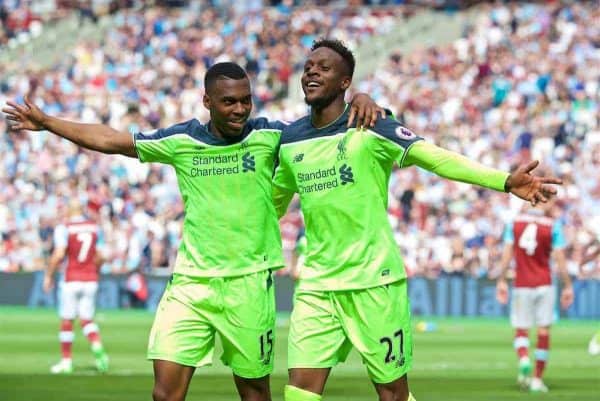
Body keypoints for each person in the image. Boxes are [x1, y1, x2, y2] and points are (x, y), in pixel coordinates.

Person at [3, 62, 382, 401]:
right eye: (229, 102)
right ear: (207, 102)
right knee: (165, 393)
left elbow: (326, 124)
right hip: (190, 285)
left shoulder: (272, 135)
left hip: (249, 285)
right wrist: (50, 123)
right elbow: (113, 140)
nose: (239, 109)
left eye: (245, 101)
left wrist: (359, 97)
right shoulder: (183, 141)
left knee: (254, 392)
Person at [271, 38, 563, 401]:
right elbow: (273, 203)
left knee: (393, 393)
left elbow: (434, 157)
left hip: (374, 283)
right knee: (299, 390)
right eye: (308, 66)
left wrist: (502, 180)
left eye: (324, 67)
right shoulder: (289, 140)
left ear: (345, 83)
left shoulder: (371, 125)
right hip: (316, 285)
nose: (312, 71)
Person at [496, 200, 574, 392]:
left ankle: (523, 358)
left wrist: (502, 280)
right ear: (544, 203)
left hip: (522, 283)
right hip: (545, 284)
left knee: (521, 328)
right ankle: (537, 380)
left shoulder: (514, 223)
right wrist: (567, 285)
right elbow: (560, 258)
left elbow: (507, 254)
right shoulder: (553, 225)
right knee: (544, 331)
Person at [43, 199, 109, 374]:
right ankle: (96, 346)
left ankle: (66, 362)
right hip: (90, 279)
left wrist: (48, 276)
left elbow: (58, 254)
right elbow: (102, 256)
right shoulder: (95, 228)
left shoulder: (64, 228)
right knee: (86, 319)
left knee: (67, 320)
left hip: (71, 278)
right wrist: (96, 270)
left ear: (69, 211)